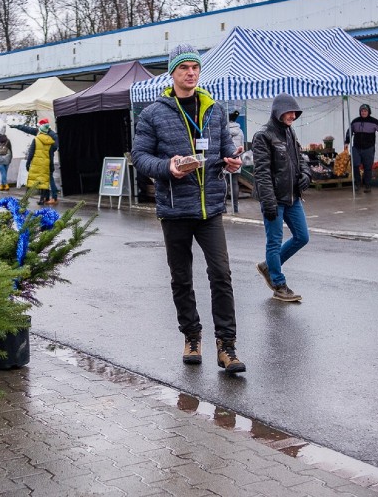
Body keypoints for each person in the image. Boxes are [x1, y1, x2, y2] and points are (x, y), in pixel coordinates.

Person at [131, 43, 246, 374]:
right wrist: (169, 166)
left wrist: (233, 162)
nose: (191, 73)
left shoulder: (215, 110)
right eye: (184, 68)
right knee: (181, 278)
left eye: (195, 67)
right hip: (174, 208)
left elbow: (225, 150)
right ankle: (191, 336)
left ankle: (226, 346)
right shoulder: (154, 113)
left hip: (210, 208)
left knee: (221, 274)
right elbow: (139, 157)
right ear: (173, 73)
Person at [252, 93, 311, 302]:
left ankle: (269, 266)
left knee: (302, 236)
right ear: (278, 111)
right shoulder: (263, 136)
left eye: (295, 112)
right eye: (290, 112)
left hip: (293, 197)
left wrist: (306, 174)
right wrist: (268, 202)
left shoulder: (289, 132)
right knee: (274, 242)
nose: (293, 116)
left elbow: (299, 158)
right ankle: (278, 284)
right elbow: (262, 173)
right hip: (274, 199)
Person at [343, 104, 378, 193]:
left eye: (365, 111)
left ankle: (367, 185)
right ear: (360, 112)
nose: (363, 112)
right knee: (355, 165)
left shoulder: (373, 122)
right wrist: (346, 142)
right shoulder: (355, 121)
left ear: (368, 112)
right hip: (356, 147)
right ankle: (357, 184)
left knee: (367, 167)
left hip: (368, 148)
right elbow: (349, 132)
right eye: (362, 111)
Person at [13, 118, 59, 204]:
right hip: (47, 160)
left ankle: (54, 197)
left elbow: (32, 151)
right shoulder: (48, 135)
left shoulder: (43, 136)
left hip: (43, 161)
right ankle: (46, 198)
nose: (37, 128)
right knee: (45, 179)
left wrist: (46, 153)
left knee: (45, 179)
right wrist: (17, 126)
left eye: (38, 126)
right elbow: (28, 129)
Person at [226, 110, 244, 213]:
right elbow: (242, 146)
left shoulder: (224, 129)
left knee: (224, 183)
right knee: (234, 183)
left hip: (226, 159)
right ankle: (235, 208)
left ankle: (223, 206)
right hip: (236, 159)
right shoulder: (240, 131)